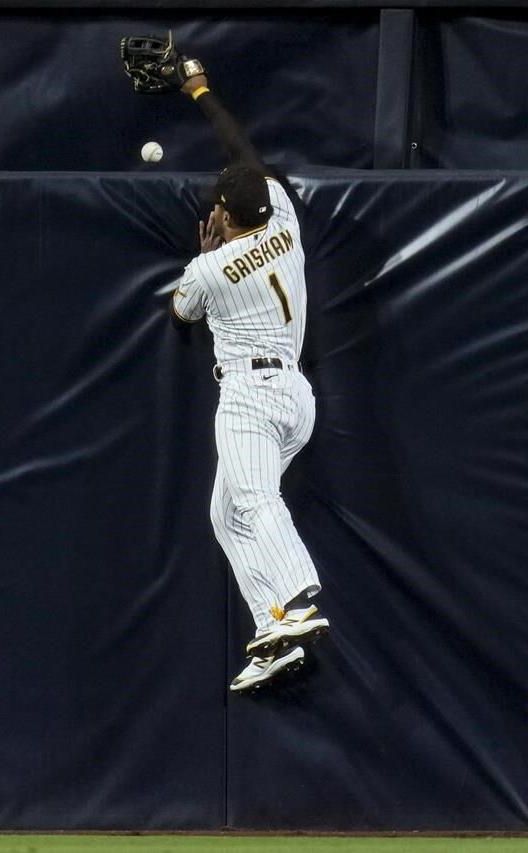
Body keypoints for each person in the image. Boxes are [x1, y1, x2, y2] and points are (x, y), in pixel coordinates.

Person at [170, 71, 330, 694]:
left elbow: (181, 313)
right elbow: (247, 157)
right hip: (297, 400)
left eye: (218, 207)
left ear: (226, 217)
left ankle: (298, 597)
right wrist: (200, 90)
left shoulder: (212, 266)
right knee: (225, 514)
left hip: (248, 400)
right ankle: (273, 630)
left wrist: (204, 254)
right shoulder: (283, 217)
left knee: (256, 501)